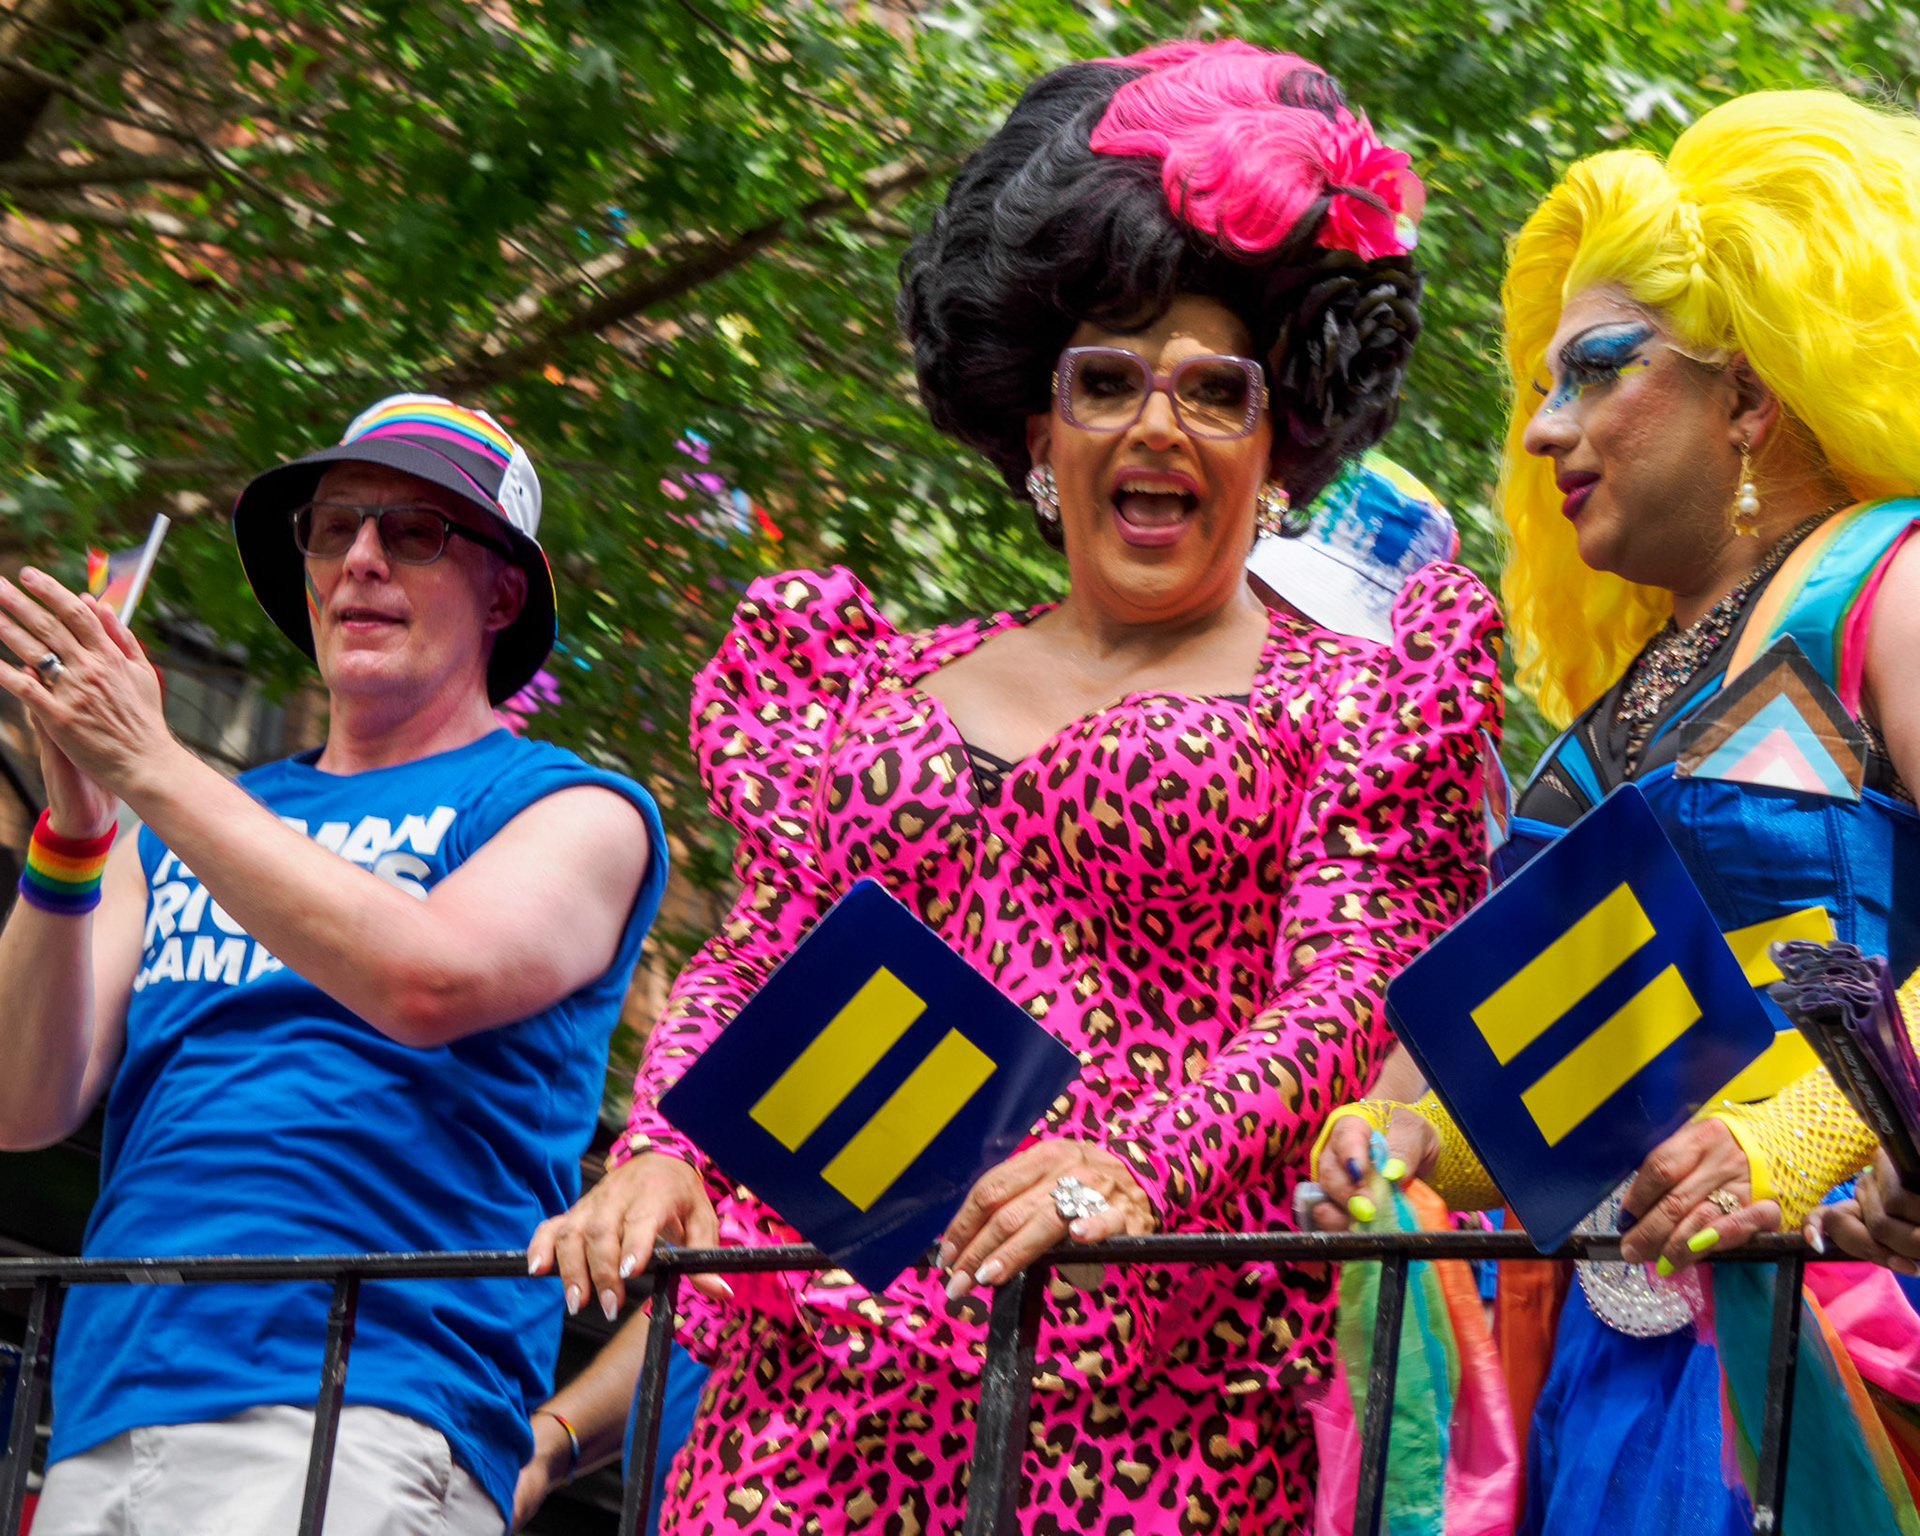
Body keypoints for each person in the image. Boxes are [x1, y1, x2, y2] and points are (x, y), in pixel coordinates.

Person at [525, 39, 1501, 1533]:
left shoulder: (1360, 697)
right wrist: (660, 1148)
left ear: (1277, 445)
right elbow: (768, 950)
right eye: (1107, 382)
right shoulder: (862, 677)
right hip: (806, 1409)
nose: (1155, 425)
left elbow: (1355, 991)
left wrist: (1133, 1166)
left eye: (1214, 391)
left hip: (1149, 1407)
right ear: (1041, 430)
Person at [1311, 90, 1920, 1534]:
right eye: (1542, 387)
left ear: (1749, 399)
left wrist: (1800, 1140)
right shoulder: (1601, 729)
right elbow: (1541, 1085)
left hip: (1849, 1346)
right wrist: (1401, 1141)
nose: (1542, 431)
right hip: (1613, 1390)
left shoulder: (1888, 582)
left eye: (1594, 371)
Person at [0, 394, 668, 1535]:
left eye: (414, 533)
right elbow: (22, 1103)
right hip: (108, 1403)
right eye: (332, 528)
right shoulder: (175, 827)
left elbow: (426, 979)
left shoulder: (574, 809)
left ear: (503, 595)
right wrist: (75, 833)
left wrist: (152, 766)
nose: (360, 558)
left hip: (369, 1407)